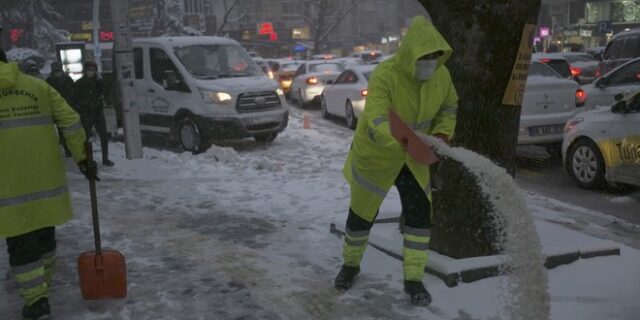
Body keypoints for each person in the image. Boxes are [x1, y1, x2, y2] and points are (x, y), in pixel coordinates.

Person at [334, 16, 459, 306]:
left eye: (434, 57)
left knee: (418, 219)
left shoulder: (442, 77)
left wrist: (442, 133)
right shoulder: (386, 74)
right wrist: (402, 141)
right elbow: (376, 117)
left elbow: (450, 106)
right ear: (410, 54)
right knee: (362, 216)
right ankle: (350, 266)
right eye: (424, 57)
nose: (429, 62)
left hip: (414, 160)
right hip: (376, 156)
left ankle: (413, 278)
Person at [1, 48, 98, 319]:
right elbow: (70, 120)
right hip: (45, 180)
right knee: (45, 237)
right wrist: (82, 158)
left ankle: (36, 301)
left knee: (21, 244)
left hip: (6, 185)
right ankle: (42, 287)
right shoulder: (38, 87)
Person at [71, 60, 114, 166]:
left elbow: (107, 91)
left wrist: (100, 82)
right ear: (85, 70)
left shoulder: (98, 82)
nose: (91, 72)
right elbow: (74, 100)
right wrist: (82, 107)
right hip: (86, 114)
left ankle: (105, 158)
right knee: (87, 137)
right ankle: (89, 159)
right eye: (89, 69)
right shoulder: (80, 83)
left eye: (93, 70)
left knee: (103, 135)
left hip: (98, 112)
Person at [46, 61, 75, 158]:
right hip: (61, 108)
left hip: (63, 107)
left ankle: (67, 147)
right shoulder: (66, 79)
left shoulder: (49, 81)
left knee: (65, 129)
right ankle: (67, 149)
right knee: (63, 129)